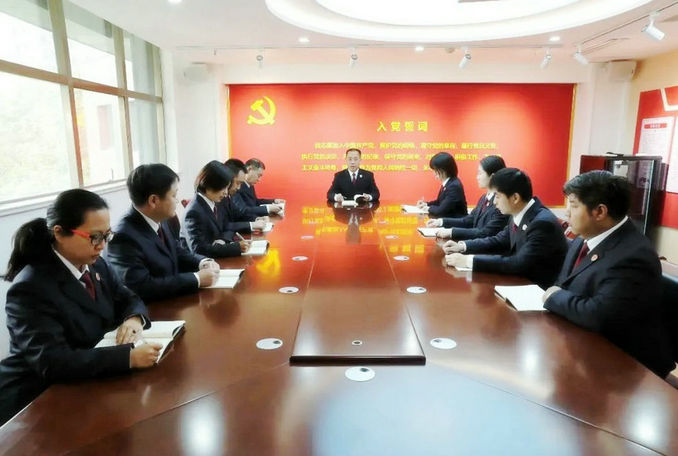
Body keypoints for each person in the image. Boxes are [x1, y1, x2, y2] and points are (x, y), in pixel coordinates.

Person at [0, 189, 160, 426]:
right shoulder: (31, 288)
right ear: (59, 233)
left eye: (106, 235)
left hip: (91, 379)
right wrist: (127, 358)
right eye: (94, 237)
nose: (102, 245)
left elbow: (128, 297)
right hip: (41, 397)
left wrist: (134, 319)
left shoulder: (95, 264)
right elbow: (53, 361)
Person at [542, 171, 674, 378]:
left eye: (573, 205)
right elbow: (563, 283)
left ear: (600, 212)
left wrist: (554, 297)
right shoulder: (584, 238)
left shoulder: (633, 256)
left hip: (625, 365)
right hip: (583, 341)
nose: (567, 212)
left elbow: (599, 316)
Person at [107, 164, 220, 302]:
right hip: (154, 309)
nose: (177, 200)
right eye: (174, 195)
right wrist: (196, 279)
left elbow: (176, 250)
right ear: (153, 200)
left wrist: (202, 262)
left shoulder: (160, 217)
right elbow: (142, 287)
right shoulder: (122, 237)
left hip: (174, 301)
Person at [443, 168, 567, 289]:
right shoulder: (519, 212)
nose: (494, 202)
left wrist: (468, 261)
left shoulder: (542, 224)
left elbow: (519, 263)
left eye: (497, 196)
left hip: (538, 290)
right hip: (519, 282)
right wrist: (462, 246)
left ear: (515, 198)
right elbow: (499, 240)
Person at [428, 155, 509, 240]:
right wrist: (441, 222)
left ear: (492, 177)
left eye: (480, 173)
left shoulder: (501, 204)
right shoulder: (484, 198)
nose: (477, 177)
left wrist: (452, 232)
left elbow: (485, 233)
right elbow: (468, 220)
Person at [184, 161, 250, 258]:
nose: (226, 193)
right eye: (223, 188)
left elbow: (226, 228)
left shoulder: (214, 203)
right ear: (209, 185)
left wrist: (221, 241)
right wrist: (235, 247)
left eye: (227, 188)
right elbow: (199, 250)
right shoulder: (194, 212)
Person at [220, 159, 268, 233]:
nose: (239, 188)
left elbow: (238, 214)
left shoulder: (227, 197)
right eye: (237, 183)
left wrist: (256, 219)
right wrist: (252, 225)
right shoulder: (220, 198)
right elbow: (224, 226)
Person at [416, 152, 467, 217]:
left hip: (454, 221)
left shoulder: (454, 186)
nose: (434, 173)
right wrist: (426, 204)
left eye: (436, 170)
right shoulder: (449, 183)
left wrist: (427, 208)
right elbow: (439, 202)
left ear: (444, 170)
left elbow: (440, 211)